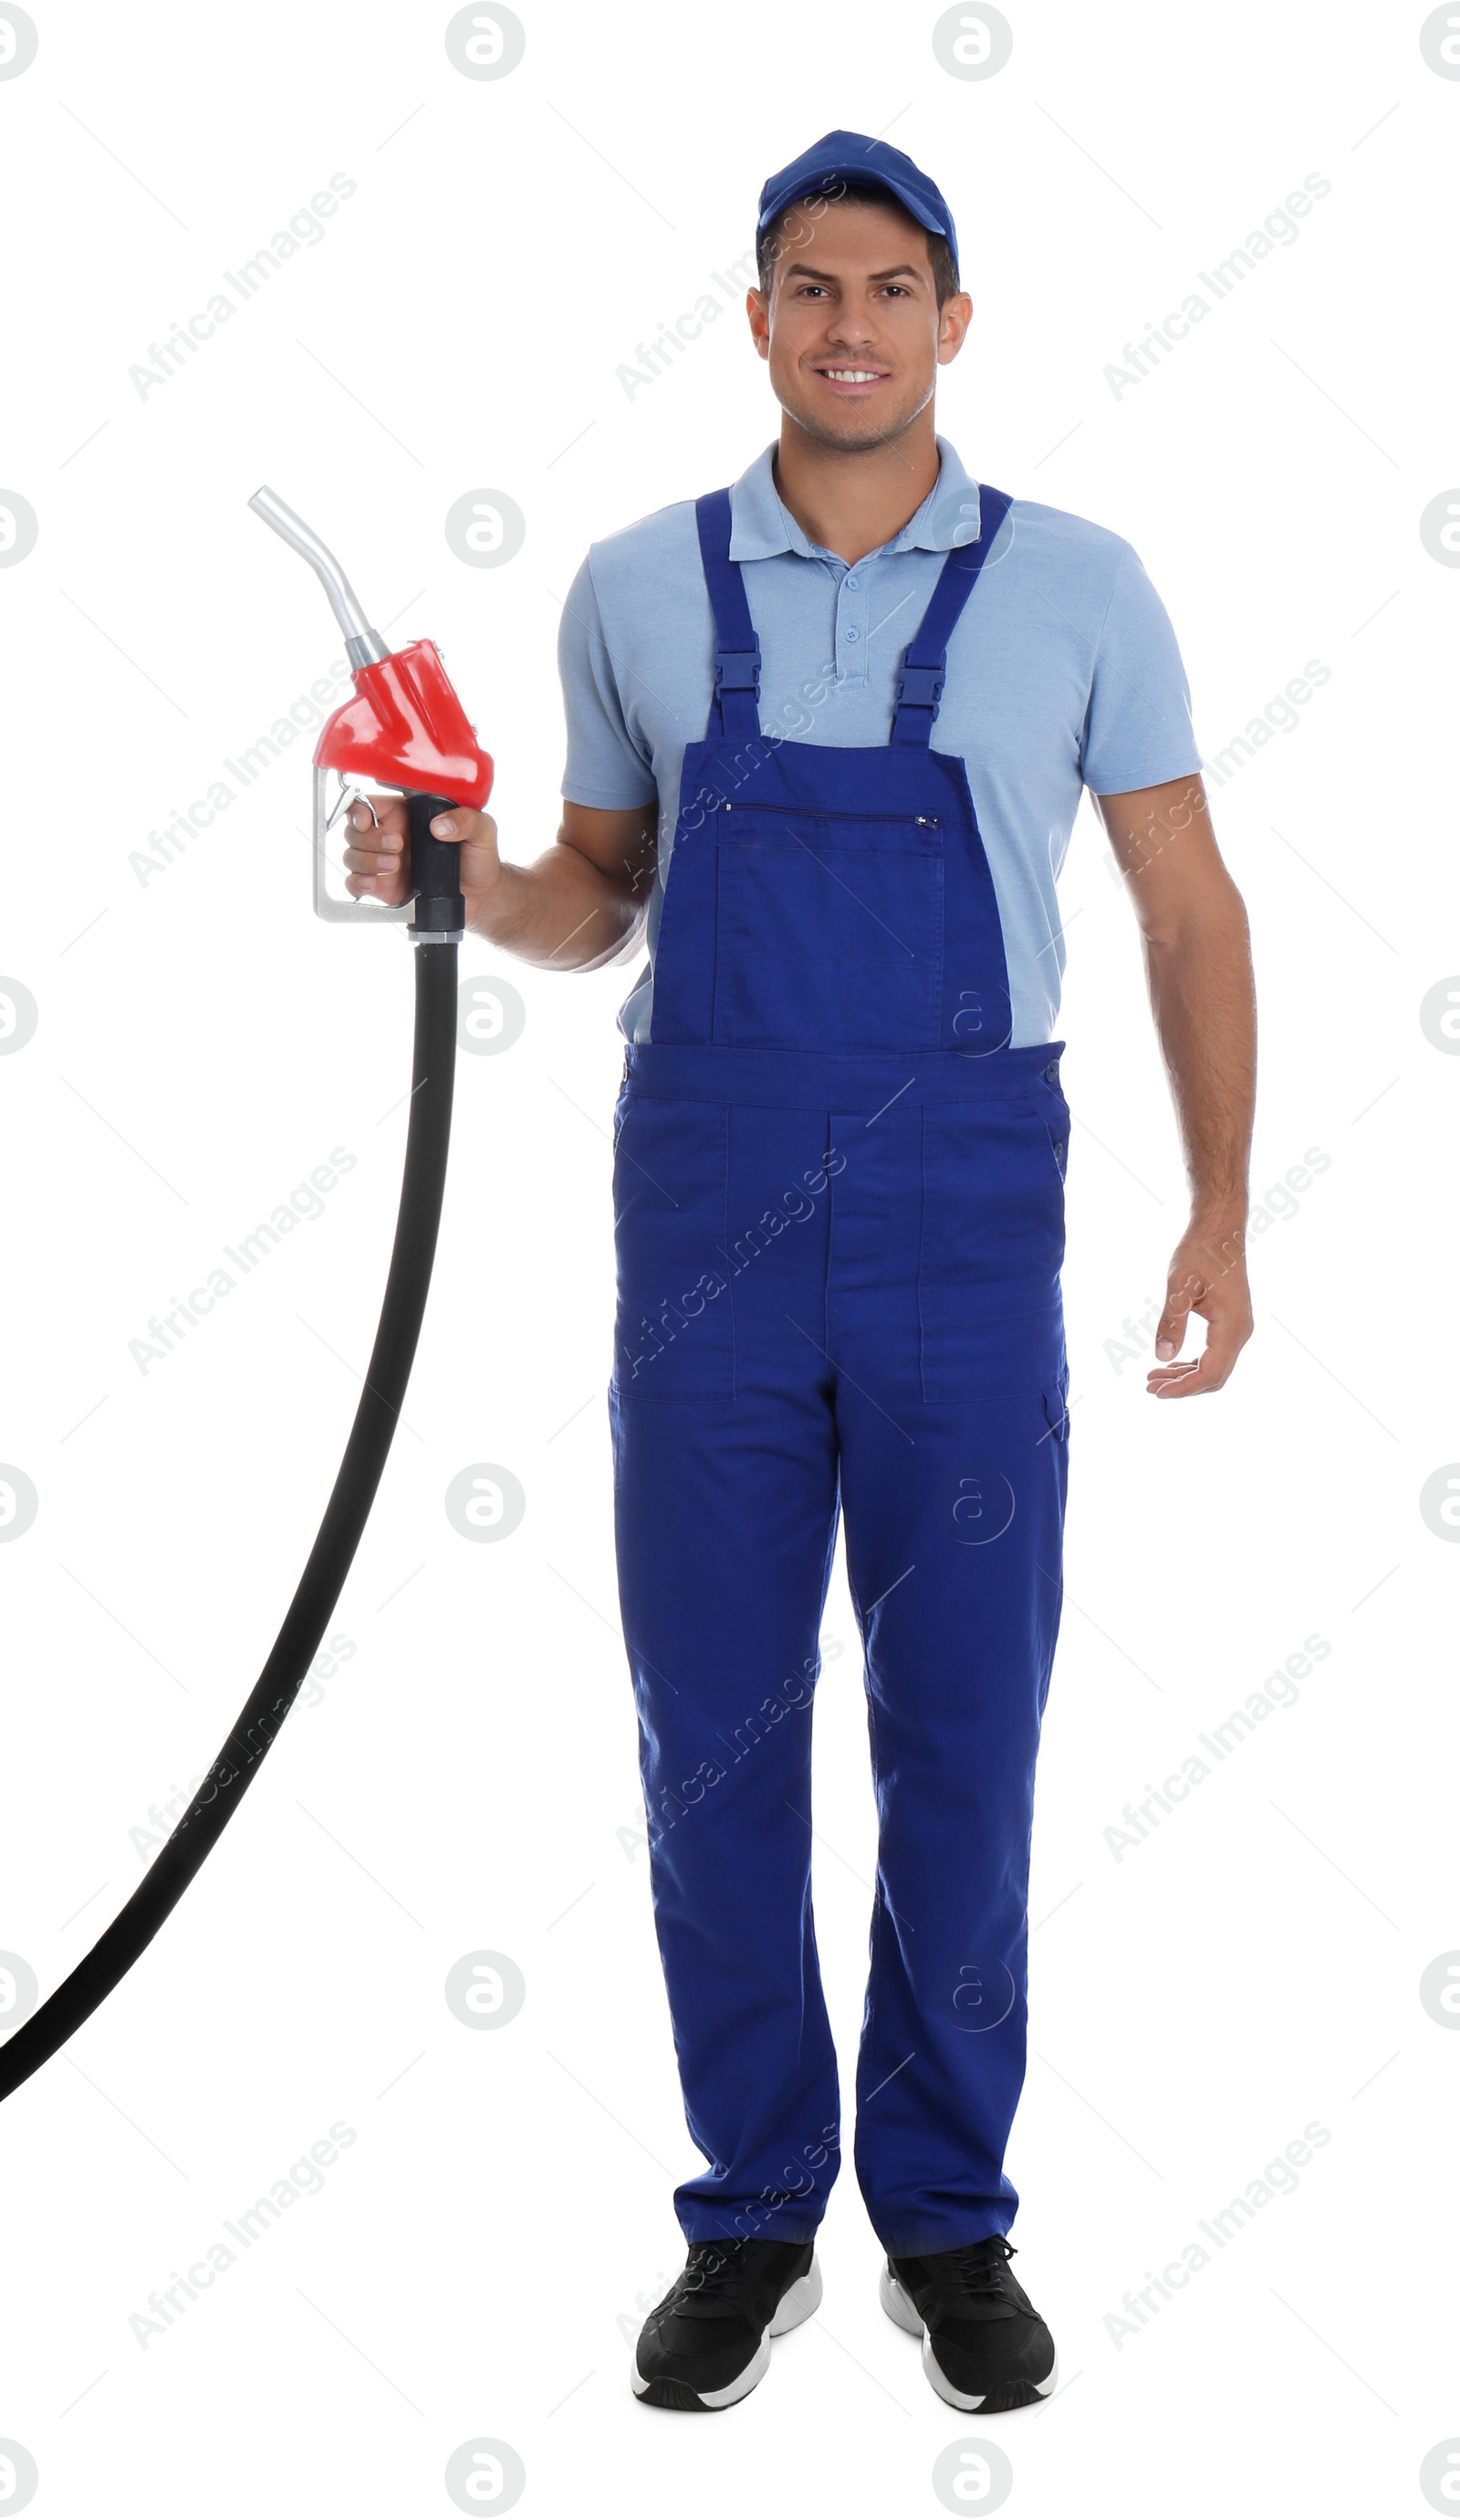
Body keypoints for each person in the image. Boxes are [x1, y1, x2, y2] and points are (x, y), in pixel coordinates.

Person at [344, 130, 1257, 2417]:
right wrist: (461, 869)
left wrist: (1219, 1208)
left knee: (961, 1739)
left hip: (963, 1233)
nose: (845, 323)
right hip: (710, 1237)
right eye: (802, 286)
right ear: (749, 318)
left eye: (887, 287)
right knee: (714, 1743)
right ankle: (751, 2212)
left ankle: (943, 2218)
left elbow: (1185, 911)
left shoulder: (1082, 586)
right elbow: (596, 897)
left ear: (957, 320)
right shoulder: (637, 588)